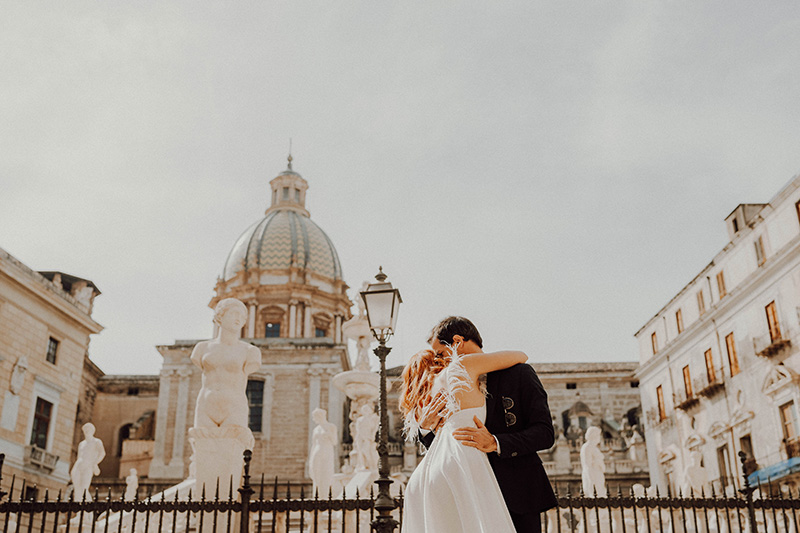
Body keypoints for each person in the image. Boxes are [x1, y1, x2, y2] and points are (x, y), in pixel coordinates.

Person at [415, 316, 557, 532]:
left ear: (457, 341)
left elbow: (544, 433)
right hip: (468, 491)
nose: (441, 362)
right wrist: (425, 428)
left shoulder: (519, 373)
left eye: (442, 354)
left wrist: (495, 442)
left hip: (516, 492)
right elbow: (448, 445)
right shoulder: (449, 382)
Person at [191, 298, 262, 429]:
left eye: (242, 316)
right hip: (205, 406)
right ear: (220, 316)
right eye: (234, 313)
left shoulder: (250, 351)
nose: (238, 318)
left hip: (234, 407)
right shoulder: (201, 348)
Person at [71, 423, 106, 501]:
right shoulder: (81, 444)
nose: (86, 431)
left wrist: (95, 463)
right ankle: (78, 508)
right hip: (79, 465)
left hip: (88, 465)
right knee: (77, 488)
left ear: (92, 431)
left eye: (88, 429)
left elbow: (102, 453)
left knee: (84, 488)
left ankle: (87, 510)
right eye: (85, 430)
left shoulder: (97, 442)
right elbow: (79, 456)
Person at [308, 408, 338, 497]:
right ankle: (316, 497)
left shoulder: (331, 427)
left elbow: (335, 442)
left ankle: (324, 497)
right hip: (317, 452)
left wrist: (329, 434)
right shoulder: (316, 429)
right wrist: (310, 460)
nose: (314, 419)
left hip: (327, 451)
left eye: (315, 417)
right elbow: (313, 444)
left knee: (326, 474)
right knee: (316, 475)